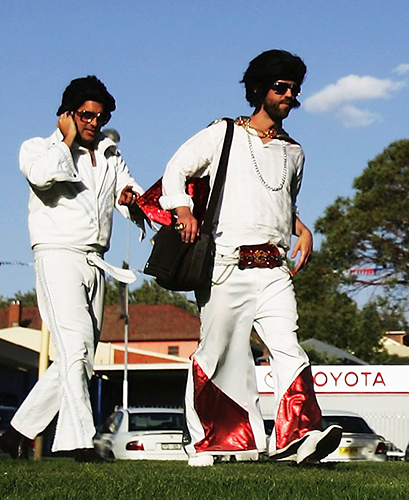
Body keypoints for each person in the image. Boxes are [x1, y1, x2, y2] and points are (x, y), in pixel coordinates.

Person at [154, 49, 339, 467]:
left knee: (289, 346)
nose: (289, 95)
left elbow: (279, 202)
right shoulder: (223, 134)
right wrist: (183, 210)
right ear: (258, 90)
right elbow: (176, 169)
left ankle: (297, 434)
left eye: (295, 89)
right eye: (281, 87)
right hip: (225, 264)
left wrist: (301, 228)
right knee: (219, 352)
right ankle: (214, 442)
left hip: (275, 268)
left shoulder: (295, 152)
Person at [0, 76, 142, 462]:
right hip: (57, 255)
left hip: (96, 260)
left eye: (100, 116)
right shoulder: (38, 148)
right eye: (85, 115)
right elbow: (42, 177)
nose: (94, 123)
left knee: (77, 358)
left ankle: (17, 432)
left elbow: (128, 190)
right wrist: (65, 140)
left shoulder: (110, 153)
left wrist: (130, 199)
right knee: (75, 349)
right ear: (67, 114)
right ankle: (79, 442)